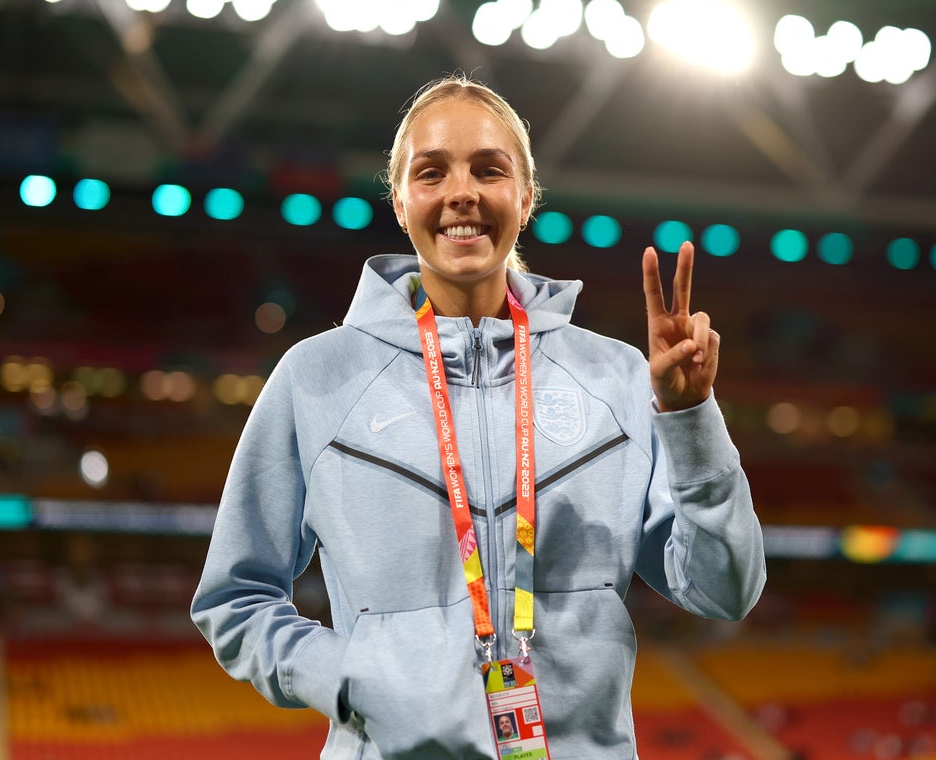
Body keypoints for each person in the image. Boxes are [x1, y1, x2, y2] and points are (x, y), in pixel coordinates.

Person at [191, 73, 766, 759]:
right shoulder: (317, 378)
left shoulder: (615, 378)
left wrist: (692, 418)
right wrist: (349, 677)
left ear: (525, 196)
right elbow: (234, 597)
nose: (462, 192)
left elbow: (724, 591)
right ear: (400, 202)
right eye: (431, 172)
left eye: (489, 170)